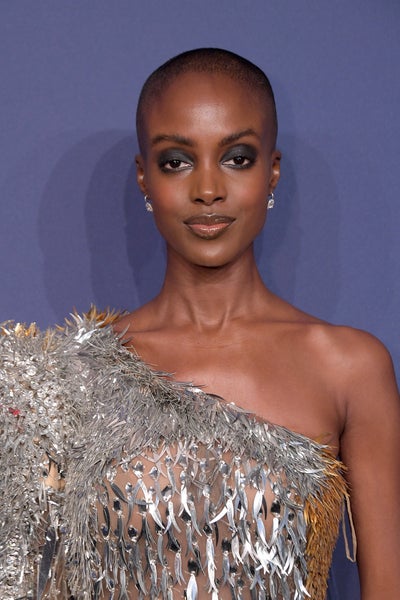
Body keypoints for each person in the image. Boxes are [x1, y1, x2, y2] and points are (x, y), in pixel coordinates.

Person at [1, 48, 399, 600]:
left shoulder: (349, 368)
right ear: (144, 177)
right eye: (176, 161)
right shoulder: (69, 376)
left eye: (237, 157)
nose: (208, 189)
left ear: (272, 171)